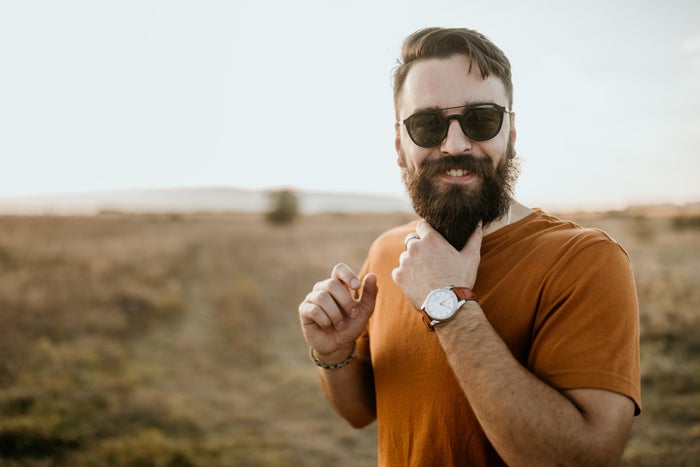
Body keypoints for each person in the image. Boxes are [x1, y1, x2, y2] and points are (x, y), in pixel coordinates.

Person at [298, 27, 641, 466]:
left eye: (481, 119)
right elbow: (361, 412)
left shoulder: (585, 260)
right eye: (426, 125)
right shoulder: (389, 253)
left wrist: (449, 304)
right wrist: (333, 354)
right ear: (400, 143)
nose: (456, 144)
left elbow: (584, 458)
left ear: (511, 131)